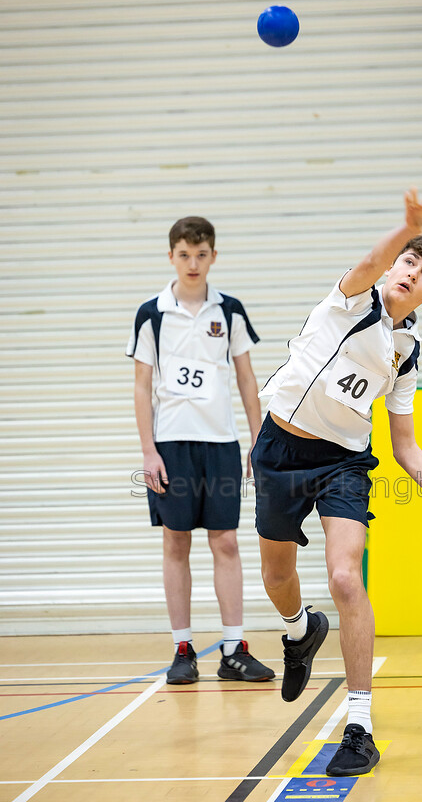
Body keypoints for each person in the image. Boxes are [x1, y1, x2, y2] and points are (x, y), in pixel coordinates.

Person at [251, 180, 422, 777]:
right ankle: (300, 631)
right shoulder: (349, 300)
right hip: (279, 449)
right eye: (408, 262)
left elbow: (406, 447)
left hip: (343, 462)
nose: (410, 274)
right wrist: (409, 224)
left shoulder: (408, 351)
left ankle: (359, 726)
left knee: (345, 574)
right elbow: (368, 262)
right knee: (277, 576)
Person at [126, 216, 274, 685]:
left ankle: (233, 649)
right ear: (171, 256)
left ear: (214, 256)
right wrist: (148, 450)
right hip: (171, 445)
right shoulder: (152, 313)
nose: (193, 263)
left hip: (221, 445)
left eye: (202, 254)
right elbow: (141, 385)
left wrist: (257, 440)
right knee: (176, 540)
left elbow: (247, 378)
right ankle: (183, 648)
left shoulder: (228, 310)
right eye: (185, 254)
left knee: (226, 541)